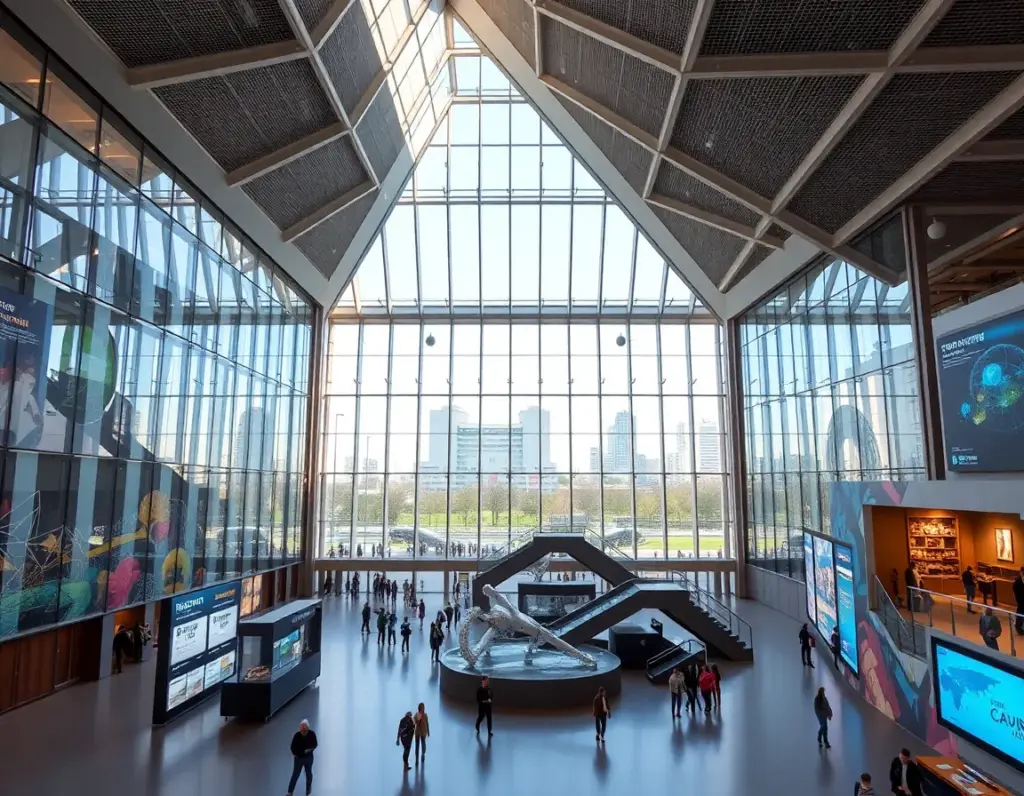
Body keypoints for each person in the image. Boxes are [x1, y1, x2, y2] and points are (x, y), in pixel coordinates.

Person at [286, 719, 318, 796]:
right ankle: (290, 791)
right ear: (300, 728)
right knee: (295, 774)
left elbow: (315, 744)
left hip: (308, 758)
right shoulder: (297, 736)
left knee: (308, 773)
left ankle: (308, 789)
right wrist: (295, 754)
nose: (303, 729)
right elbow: (292, 747)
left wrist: (310, 750)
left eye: (305, 728)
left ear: (308, 728)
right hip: (298, 758)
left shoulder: (312, 734)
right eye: (302, 728)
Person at [1014, 567, 1024, 634]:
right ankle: (1018, 628)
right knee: (1020, 613)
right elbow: (1016, 592)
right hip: (1021, 600)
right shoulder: (1017, 582)